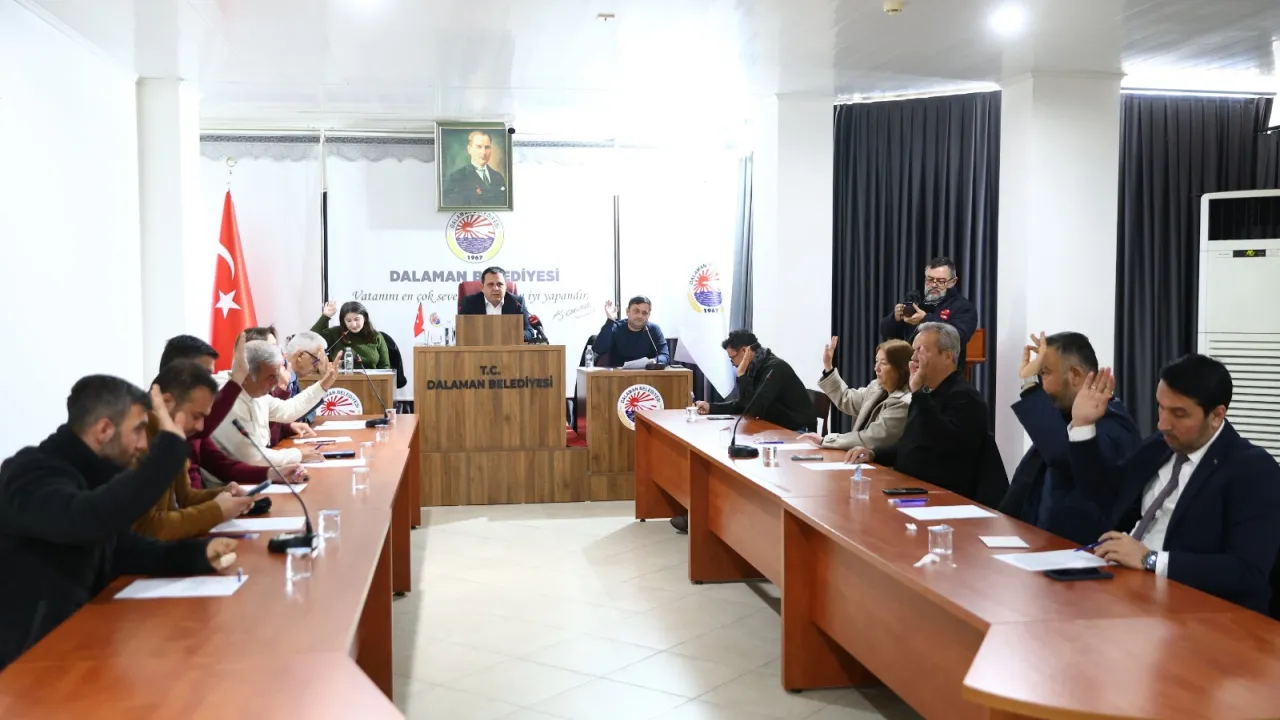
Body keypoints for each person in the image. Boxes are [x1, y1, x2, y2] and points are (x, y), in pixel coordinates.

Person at [0, 377, 237, 670]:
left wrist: (198, 554)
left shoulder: (96, 473)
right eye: (138, 430)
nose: (143, 443)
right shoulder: (29, 475)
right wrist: (167, 451)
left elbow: (121, 549)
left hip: (83, 643)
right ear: (104, 430)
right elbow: (88, 520)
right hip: (27, 664)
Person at [1070, 356, 1280, 614]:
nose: (1162, 424)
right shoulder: (1159, 446)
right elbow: (1105, 494)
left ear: (1216, 415)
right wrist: (1083, 425)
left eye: (1179, 414)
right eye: (1161, 407)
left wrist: (1150, 560)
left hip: (1198, 612)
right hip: (1130, 589)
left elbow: (1248, 572)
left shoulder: (1252, 470)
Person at [999, 332, 1140, 543]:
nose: (1039, 384)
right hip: (1035, 542)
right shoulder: (1063, 419)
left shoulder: (1114, 424)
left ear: (1074, 375)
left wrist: (1029, 386)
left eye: (1043, 373)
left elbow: (1065, 455)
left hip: (1081, 553)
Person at [846, 323, 988, 499]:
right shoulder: (927, 394)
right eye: (914, 350)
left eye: (921, 350)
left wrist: (918, 394)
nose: (913, 358)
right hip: (908, 485)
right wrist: (874, 454)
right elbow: (911, 444)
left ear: (947, 356)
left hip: (941, 496)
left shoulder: (965, 397)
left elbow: (943, 444)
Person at [132, 360, 257, 540]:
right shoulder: (136, 443)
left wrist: (224, 494)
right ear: (166, 402)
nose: (200, 427)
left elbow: (185, 499)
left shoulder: (172, 437)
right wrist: (216, 511)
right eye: (196, 416)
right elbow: (148, 529)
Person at [159, 334, 301, 490]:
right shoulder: (156, 419)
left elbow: (222, 466)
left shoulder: (191, 421)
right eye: (203, 375)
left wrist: (273, 474)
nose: (210, 383)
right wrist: (237, 379)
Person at [212, 340, 339, 467]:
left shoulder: (253, 390)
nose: (276, 382)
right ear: (246, 376)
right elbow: (253, 457)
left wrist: (324, 383)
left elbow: (288, 410)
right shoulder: (228, 398)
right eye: (271, 377)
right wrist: (298, 455)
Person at [798, 337, 910, 453]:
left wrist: (826, 440)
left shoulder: (903, 402)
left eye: (883, 363)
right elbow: (847, 399)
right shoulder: (876, 387)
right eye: (876, 361)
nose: (876, 368)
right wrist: (828, 367)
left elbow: (871, 438)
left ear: (901, 368)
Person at [694, 331, 815, 431]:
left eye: (732, 358)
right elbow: (745, 404)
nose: (732, 363)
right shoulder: (754, 367)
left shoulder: (774, 368)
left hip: (796, 431)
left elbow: (755, 409)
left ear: (744, 351)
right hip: (775, 426)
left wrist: (741, 375)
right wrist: (711, 407)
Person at [879, 256, 978, 368]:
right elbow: (885, 332)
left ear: (953, 282)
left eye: (941, 281)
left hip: (943, 371)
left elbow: (958, 337)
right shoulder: (917, 301)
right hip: (910, 369)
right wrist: (895, 318)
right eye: (930, 280)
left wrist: (925, 319)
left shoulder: (964, 307)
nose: (934, 285)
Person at [458, 266, 535, 341]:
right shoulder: (470, 303)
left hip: (508, 348)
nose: (495, 288)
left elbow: (529, 331)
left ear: (505, 286)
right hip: (478, 347)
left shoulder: (517, 302)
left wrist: (514, 335)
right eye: (490, 284)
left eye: (499, 284)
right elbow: (460, 332)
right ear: (482, 287)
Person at [592, 296, 670, 367]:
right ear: (627, 311)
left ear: (648, 315)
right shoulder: (616, 327)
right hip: (618, 375)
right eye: (636, 311)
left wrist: (655, 361)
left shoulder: (653, 329)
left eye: (644, 313)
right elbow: (599, 349)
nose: (640, 316)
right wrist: (610, 321)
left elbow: (665, 356)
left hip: (645, 375)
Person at [312, 302, 390, 369]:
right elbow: (311, 338)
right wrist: (325, 316)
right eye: (348, 321)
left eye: (357, 319)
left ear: (365, 318)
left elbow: (385, 366)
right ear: (343, 321)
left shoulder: (376, 336)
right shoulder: (335, 333)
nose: (353, 324)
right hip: (340, 379)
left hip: (371, 380)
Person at [442, 130, 508, 207]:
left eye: (487, 147)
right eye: (479, 147)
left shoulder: (498, 176)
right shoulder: (456, 177)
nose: (483, 152)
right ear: (469, 149)